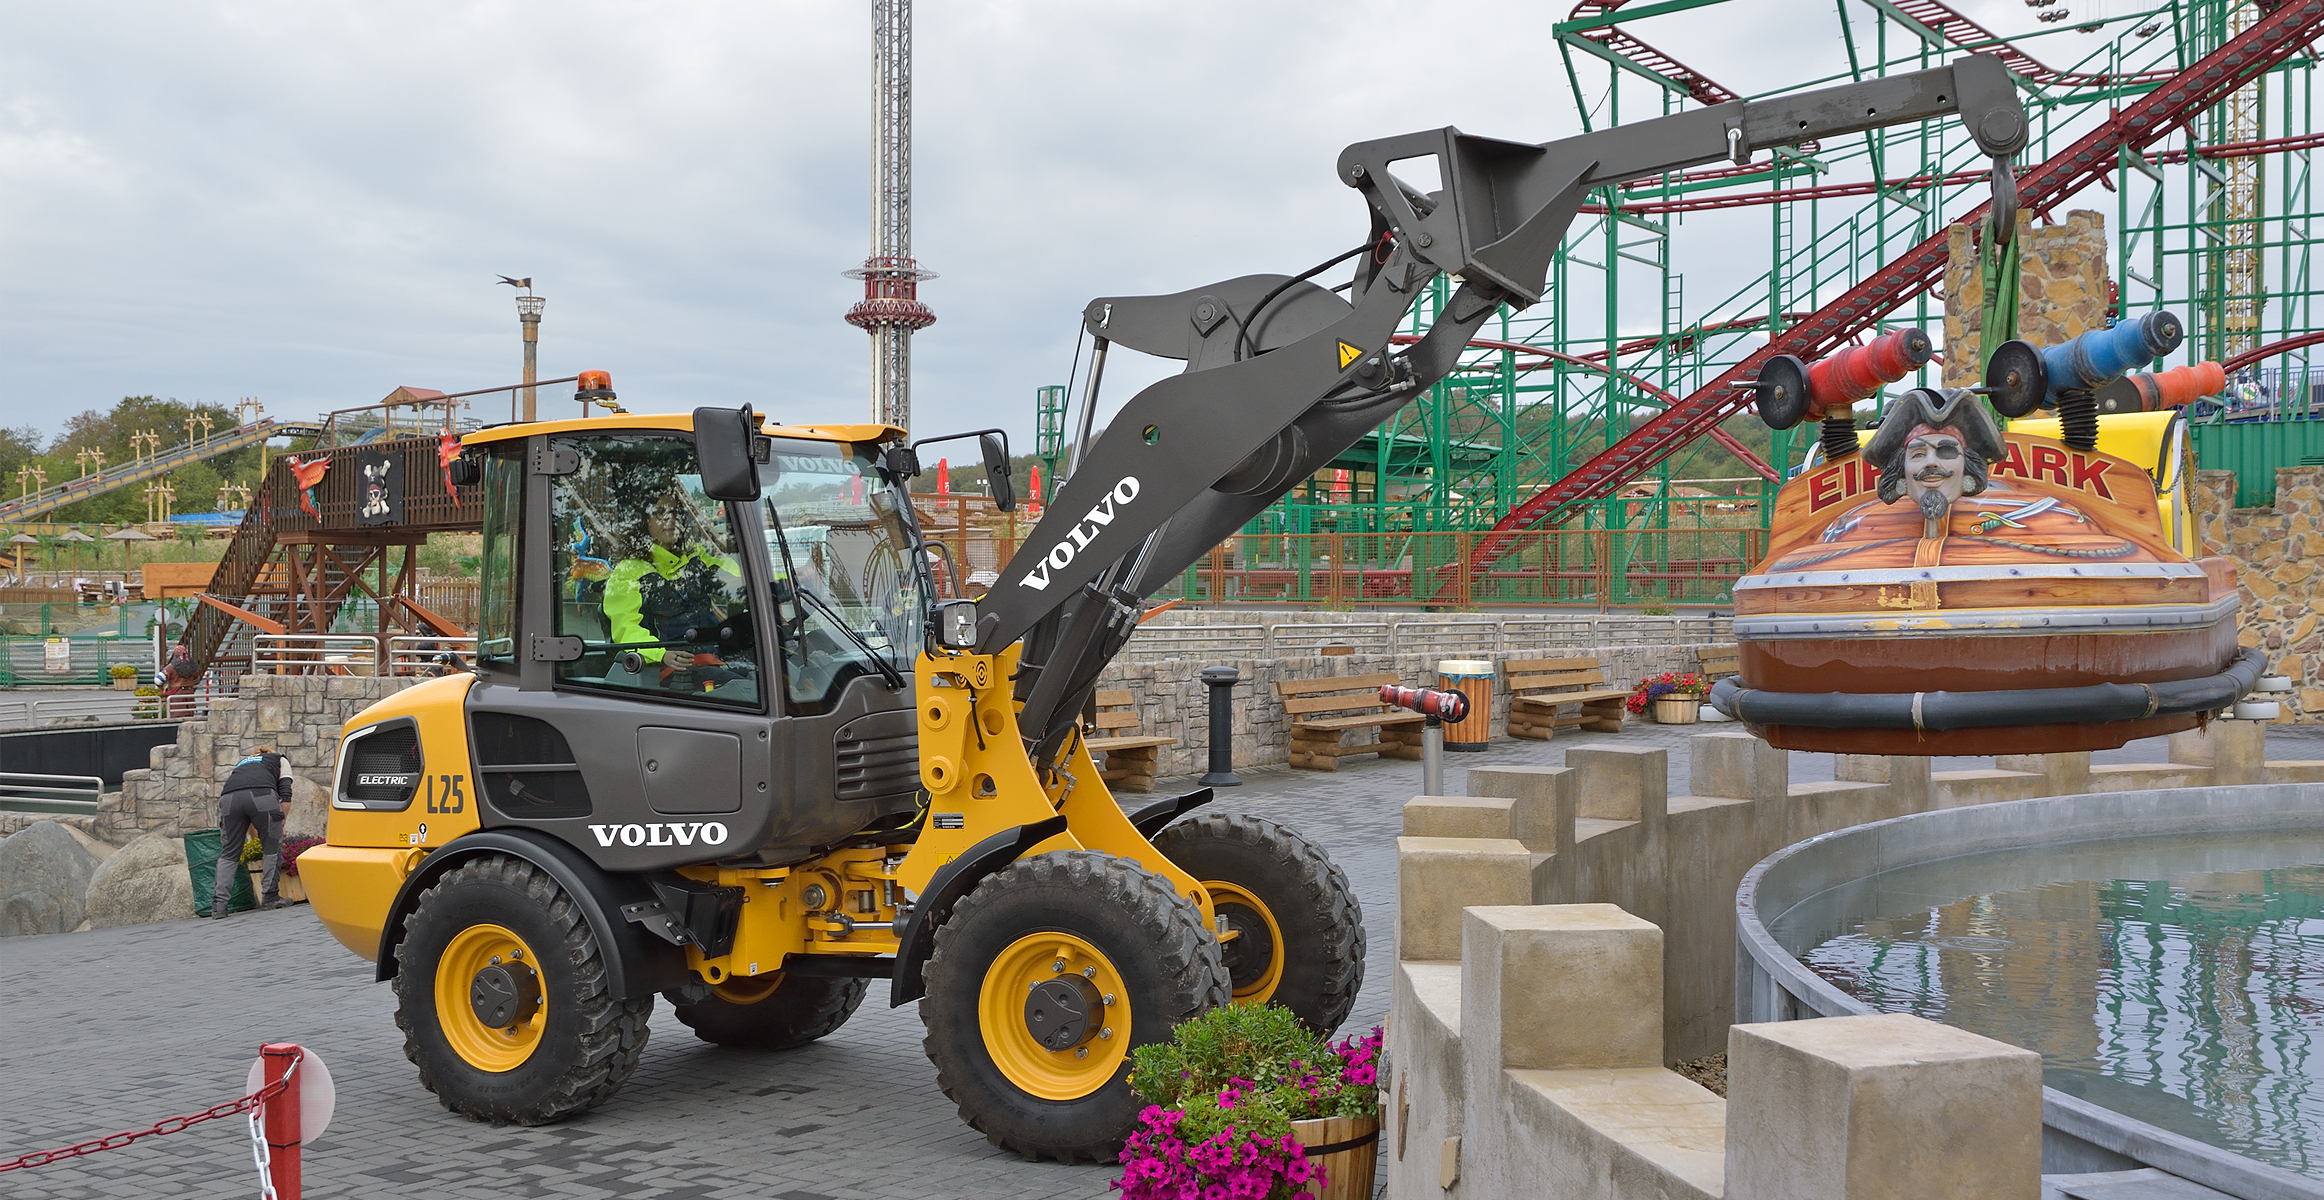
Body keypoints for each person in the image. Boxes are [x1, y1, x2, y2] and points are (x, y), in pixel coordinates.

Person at [602, 487, 750, 692]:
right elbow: (625, 630)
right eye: (660, 513)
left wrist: (785, 580)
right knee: (751, 691)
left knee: (770, 679)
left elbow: (739, 578)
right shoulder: (628, 571)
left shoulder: (694, 557)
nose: (670, 519)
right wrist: (662, 654)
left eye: (674, 512)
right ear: (643, 523)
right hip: (669, 673)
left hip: (716, 660)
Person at [209, 745, 293, 917]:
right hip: (262, 795)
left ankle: (219, 906)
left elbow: (240, 795)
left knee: (229, 852)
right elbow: (285, 793)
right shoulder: (280, 759)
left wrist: (225, 833)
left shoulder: (243, 763)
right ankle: (270, 897)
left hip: (229, 800)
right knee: (272, 848)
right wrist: (281, 823)